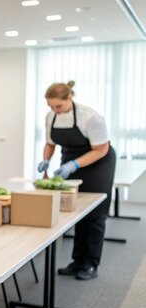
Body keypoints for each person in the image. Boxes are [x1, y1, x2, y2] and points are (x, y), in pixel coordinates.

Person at [38, 81, 116, 280]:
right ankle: (76, 262)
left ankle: (90, 263)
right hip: (71, 159)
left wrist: (73, 165)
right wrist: (45, 160)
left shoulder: (90, 117)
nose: (55, 110)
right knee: (78, 211)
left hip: (98, 162)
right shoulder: (51, 117)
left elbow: (101, 149)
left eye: (58, 106)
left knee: (95, 213)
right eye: (51, 106)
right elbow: (50, 143)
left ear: (69, 98)